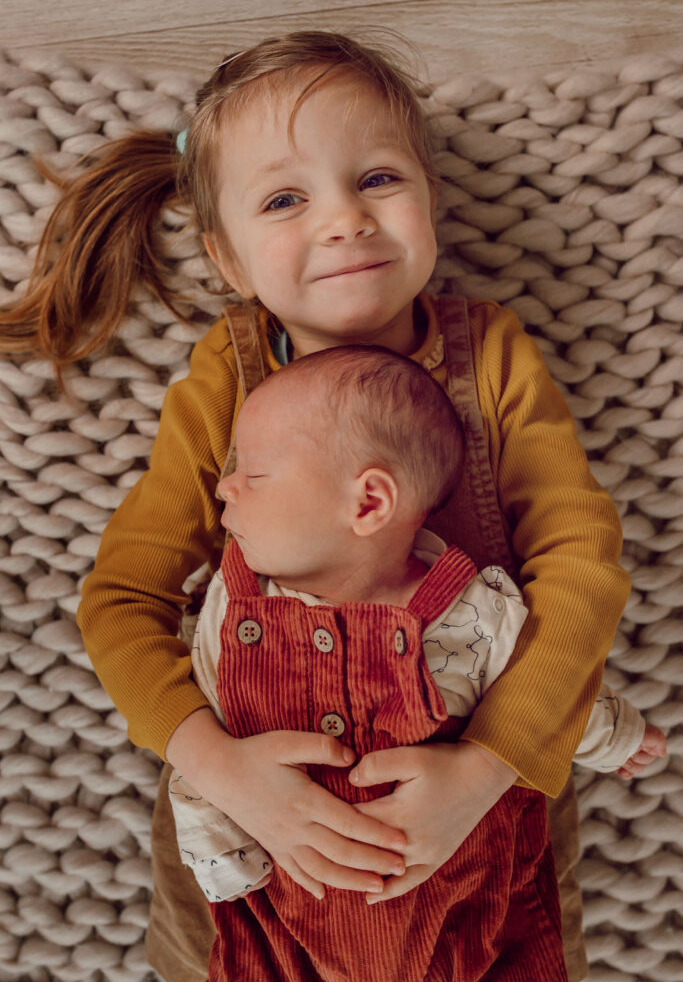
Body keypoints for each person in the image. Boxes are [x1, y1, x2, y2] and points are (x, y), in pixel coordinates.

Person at [0, 31, 634, 981]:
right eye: (286, 199)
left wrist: (488, 766)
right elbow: (121, 597)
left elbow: (580, 567)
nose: (343, 220)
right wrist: (216, 766)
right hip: (253, 824)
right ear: (227, 256)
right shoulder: (230, 376)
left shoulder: (490, 356)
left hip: (481, 813)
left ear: (431, 201)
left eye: (377, 179)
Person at [168, 347, 666, 963]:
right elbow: (207, 728)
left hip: (466, 918)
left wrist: (615, 734)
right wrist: (218, 853)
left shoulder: (471, 611)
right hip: (285, 928)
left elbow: (544, 689)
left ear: (369, 503)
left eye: (256, 474)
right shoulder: (235, 608)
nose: (225, 484)